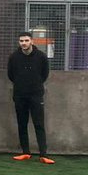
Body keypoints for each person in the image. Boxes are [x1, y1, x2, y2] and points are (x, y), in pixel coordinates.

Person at [8, 31, 53, 164]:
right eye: (21, 41)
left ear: (32, 41)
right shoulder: (14, 57)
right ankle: (25, 152)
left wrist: (35, 84)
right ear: (19, 42)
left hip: (36, 94)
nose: (24, 43)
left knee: (39, 124)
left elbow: (44, 74)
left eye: (26, 40)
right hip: (20, 95)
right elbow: (11, 75)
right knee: (22, 124)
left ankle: (43, 154)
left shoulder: (41, 56)